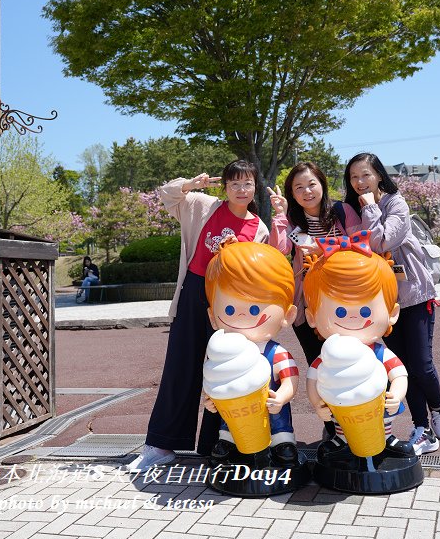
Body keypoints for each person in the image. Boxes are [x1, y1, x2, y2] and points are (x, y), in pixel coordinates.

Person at [132, 160, 269, 471]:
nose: (241, 189)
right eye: (234, 183)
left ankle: (214, 444)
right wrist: (190, 184)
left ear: (254, 187)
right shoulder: (203, 205)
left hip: (229, 301)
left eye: (247, 183)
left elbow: (256, 269)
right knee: (180, 363)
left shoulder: (258, 227)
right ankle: (162, 443)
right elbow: (166, 194)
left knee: (225, 367)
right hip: (195, 289)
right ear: (225, 187)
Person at [343, 152, 440, 455]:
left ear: (378, 174)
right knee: (401, 367)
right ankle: (422, 428)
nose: (360, 182)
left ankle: (438, 408)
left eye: (365, 175)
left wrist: (371, 208)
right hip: (385, 302)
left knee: (421, 363)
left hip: (415, 295)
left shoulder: (395, 203)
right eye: (354, 177)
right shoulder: (355, 207)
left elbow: (382, 241)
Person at [303, 243, 414, 460]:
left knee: (383, 418)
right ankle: (342, 439)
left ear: (392, 313)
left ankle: (387, 437)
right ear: (312, 317)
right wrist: (318, 404)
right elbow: (312, 379)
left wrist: (397, 395)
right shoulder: (328, 356)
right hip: (341, 406)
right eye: (341, 311)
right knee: (342, 418)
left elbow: (399, 374)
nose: (353, 317)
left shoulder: (379, 353)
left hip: (378, 403)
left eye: (365, 310)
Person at [204, 241, 300, 465]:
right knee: (230, 420)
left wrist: (283, 395)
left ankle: (282, 442)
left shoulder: (276, 353)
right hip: (235, 412)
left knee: (278, 421)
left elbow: (290, 379)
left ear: (288, 315)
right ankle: (228, 441)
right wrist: (211, 399)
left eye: (255, 309)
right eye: (229, 309)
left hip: (272, 408)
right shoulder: (220, 352)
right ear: (212, 316)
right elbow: (213, 379)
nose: (240, 316)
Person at [267, 162, 360, 366]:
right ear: (292, 193)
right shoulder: (292, 218)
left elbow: (361, 243)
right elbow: (278, 250)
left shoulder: (342, 211)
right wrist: (281, 214)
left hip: (345, 299)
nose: (306, 191)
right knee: (317, 363)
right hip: (307, 302)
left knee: (352, 360)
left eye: (311, 184)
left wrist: (327, 247)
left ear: (322, 184)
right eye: (298, 187)